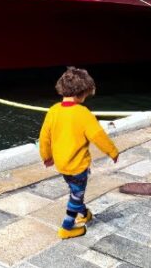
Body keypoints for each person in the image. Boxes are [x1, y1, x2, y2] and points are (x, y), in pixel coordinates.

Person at [38, 66, 119, 239]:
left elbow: (44, 137)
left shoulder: (53, 110)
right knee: (76, 194)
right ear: (83, 92)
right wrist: (112, 152)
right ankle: (67, 228)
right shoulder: (83, 113)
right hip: (78, 166)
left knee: (75, 190)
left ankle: (85, 213)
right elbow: (98, 136)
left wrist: (46, 157)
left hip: (61, 164)